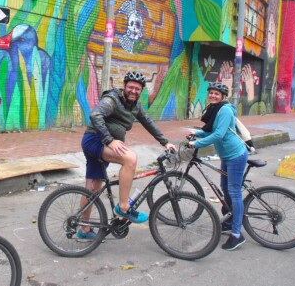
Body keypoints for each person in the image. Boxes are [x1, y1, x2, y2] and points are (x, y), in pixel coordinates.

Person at [78, 71, 176, 240]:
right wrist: (110, 141)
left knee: (93, 189)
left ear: (141, 91)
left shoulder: (136, 105)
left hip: (103, 143)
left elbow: (148, 122)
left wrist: (165, 142)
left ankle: (83, 229)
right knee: (130, 158)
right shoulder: (112, 99)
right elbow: (95, 115)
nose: (133, 91)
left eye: (137, 89)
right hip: (96, 141)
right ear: (124, 86)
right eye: (131, 87)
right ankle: (123, 207)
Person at [187, 81, 249, 251]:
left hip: (236, 155)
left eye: (216, 93)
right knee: (225, 187)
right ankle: (230, 219)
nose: (213, 96)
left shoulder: (225, 110)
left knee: (234, 191)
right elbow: (210, 130)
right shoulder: (215, 109)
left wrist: (197, 144)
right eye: (211, 93)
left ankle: (237, 234)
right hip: (226, 156)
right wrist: (196, 133)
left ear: (223, 96)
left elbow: (218, 134)